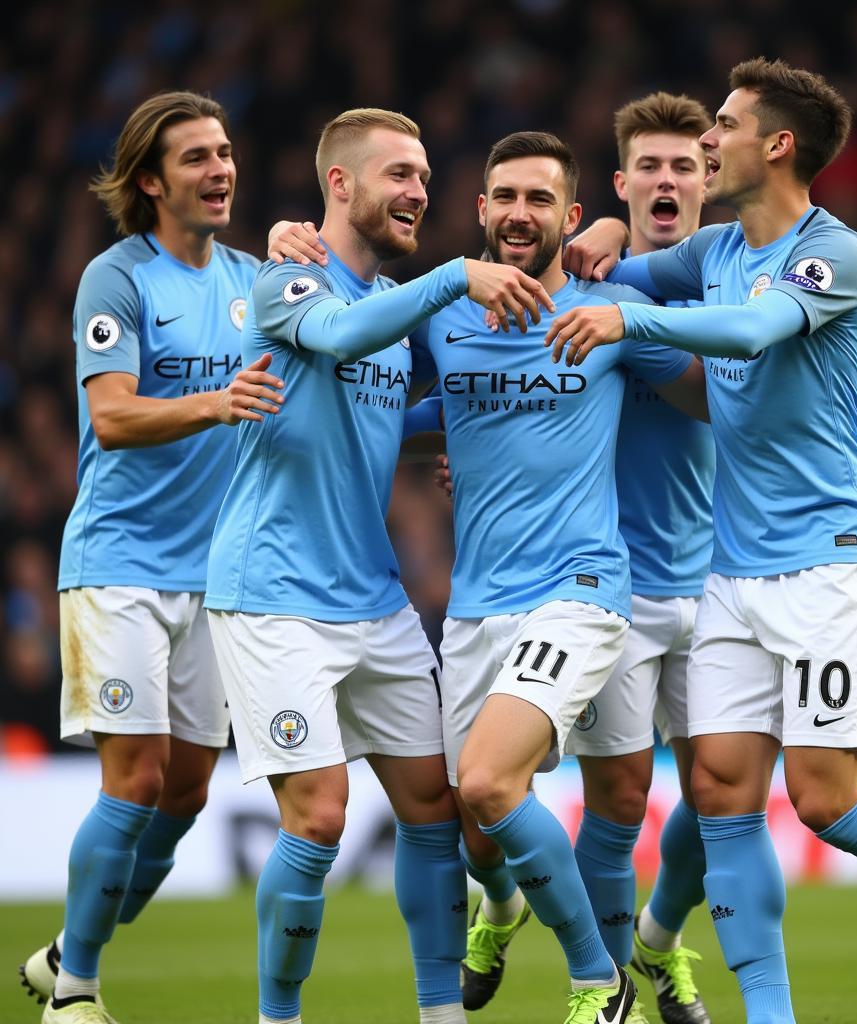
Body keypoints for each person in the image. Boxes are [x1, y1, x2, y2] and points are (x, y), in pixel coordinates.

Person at [547, 58, 857, 1024]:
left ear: (777, 145)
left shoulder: (829, 251)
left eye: (723, 124)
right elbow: (606, 261)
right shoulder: (713, 250)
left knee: (824, 801)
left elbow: (758, 331)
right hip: (734, 570)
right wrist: (593, 229)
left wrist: (627, 310)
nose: (707, 141)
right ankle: (770, 1016)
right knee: (721, 792)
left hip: (834, 559)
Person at [438, 94, 857, 1024]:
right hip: (615, 584)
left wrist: (844, 385)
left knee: (721, 792)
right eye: (652, 167)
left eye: (688, 164)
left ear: (708, 178)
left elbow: (755, 371)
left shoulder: (715, 277)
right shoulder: (599, 277)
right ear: (621, 183)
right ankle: (556, 941)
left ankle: (654, 951)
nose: (672, 178)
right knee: (614, 797)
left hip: (720, 571)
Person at [206, 107, 551, 1024]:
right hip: (272, 595)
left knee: (435, 812)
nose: (420, 192)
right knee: (318, 816)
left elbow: (384, 418)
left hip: (373, 595)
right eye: (400, 174)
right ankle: (277, 1017)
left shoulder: (391, 324)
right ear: (340, 185)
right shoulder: (291, 279)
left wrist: (475, 430)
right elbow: (335, 342)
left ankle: (442, 1016)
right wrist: (450, 278)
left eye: (426, 177)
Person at [415, 130, 709, 1024]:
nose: (519, 214)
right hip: (475, 605)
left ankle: (601, 979)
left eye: (541, 200)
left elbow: (710, 394)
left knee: (572, 792)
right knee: (477, 824)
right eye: (505, 196)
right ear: (480, 210)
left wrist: (829, 388)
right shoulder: (440, 313)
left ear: (571, 217)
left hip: (584, 588)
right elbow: (377, 402)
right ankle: (499, 907)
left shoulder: (606, 310)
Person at [18, 91, 289, 1024]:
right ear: (150, 180)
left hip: (217, 577)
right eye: (196, 158)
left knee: (185, 790)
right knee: (132, 780)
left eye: (225, 152)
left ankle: (69, 944)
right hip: (120, 565)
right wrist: (216, 403)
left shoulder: (254, 280)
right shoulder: (117, 278)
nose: (220, 170)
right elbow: (112, 415)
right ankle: (78, 990)